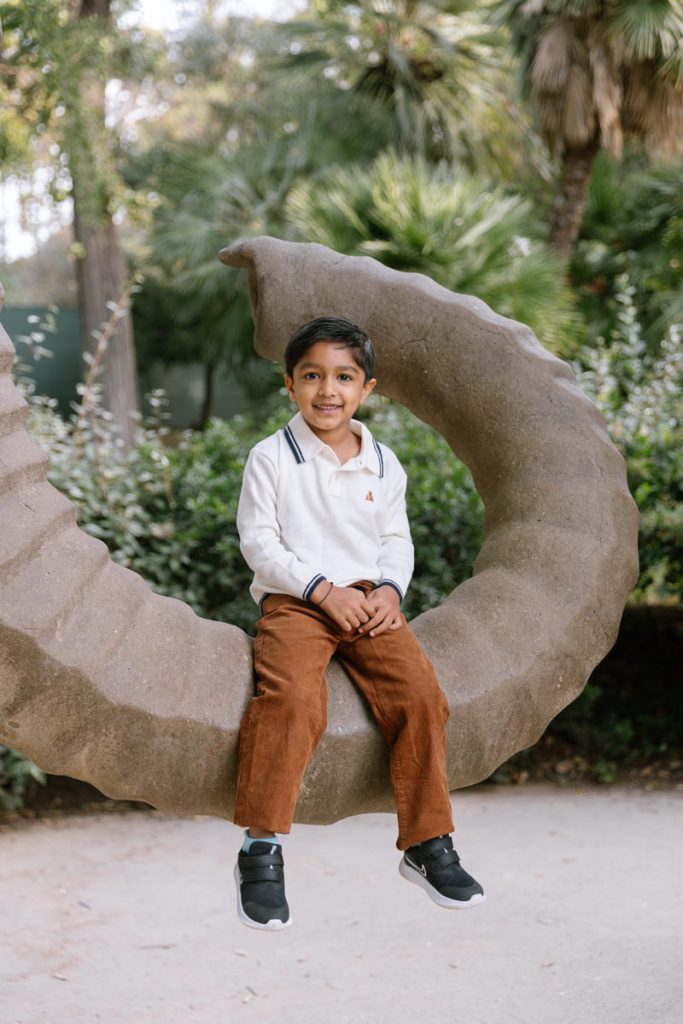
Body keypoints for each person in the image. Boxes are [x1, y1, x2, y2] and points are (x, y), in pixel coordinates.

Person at [233, 315, 485, 930]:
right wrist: (320, 591)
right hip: (297, 601)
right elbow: (259, 544)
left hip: (370, 601)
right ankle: (260, 848)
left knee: (422, 696)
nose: (328, 390)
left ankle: (427, 844)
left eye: (344, 377)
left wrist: (392, 591)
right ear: (289, 384)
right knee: (292, 699)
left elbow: (396, 539)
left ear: (367, 388)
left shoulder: (381, 461)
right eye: (312, 375)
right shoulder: (271, 458)